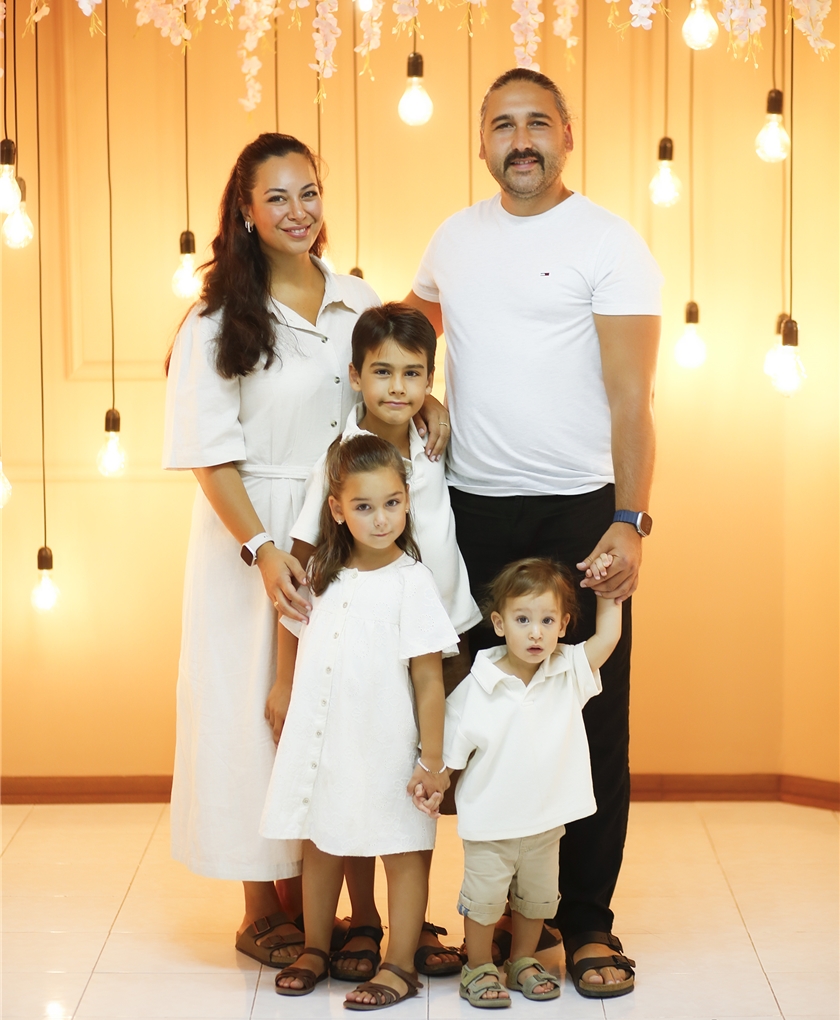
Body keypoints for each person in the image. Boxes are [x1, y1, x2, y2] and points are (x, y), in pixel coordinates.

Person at [162, 133, 450, 970]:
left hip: (348, 528)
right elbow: (207, 454)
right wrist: (260, 547)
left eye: (309, 193)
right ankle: (262, 908)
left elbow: (386, 380)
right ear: (246, 212)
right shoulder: (216, 319)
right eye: (278, 198)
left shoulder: (355, 297)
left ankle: (356, 913)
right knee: (251, 713)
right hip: (251, 532)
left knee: (352, 709)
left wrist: (427, 405)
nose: (298, 212)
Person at [405, 67, 662, 996]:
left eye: (538, 123)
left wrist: (630, 520)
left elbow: (632, 399)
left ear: (566, 135)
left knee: (586, 716)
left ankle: (585, 924)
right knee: (474, 714)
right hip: (472, 511)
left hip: (580, 509)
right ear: (482, 141)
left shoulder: (610, 241)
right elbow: (405, 341)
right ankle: (505, 920)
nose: (522, 140)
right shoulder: (452, 240)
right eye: (504, 125)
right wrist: (425, 395)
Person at [266, 302, 480, 982]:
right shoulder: (341, 460)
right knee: (352, 779)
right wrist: (284, 678)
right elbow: (301, 573)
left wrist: (430, 404)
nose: (397, 387)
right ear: (355, 376)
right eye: (381, 373)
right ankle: (363, 923)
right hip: (365, 645)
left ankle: (412, 933)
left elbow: (417, 394)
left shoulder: (434, 438)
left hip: (442, 636)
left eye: (412, 375)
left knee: (415, 788)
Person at [260, 433, 458, 1009]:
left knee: (401, 846)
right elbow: (297, 637)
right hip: (329, 741)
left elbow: (428, 680)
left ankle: (399, 963)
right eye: (364, 506)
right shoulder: (320, 572)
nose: (381, 519)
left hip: (388, 744)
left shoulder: (411, 581)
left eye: (392, 503)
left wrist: (432, 760)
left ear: (407, 501)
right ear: (337, 509)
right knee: (322, 841)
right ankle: (316, 947)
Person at [442, 558, 622, 1008]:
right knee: (484, 902)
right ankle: (478, 966)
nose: (536, 633)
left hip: (545, 823)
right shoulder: (477, 686)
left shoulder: (567, 671)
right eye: (523, 620)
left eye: (547, 621)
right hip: (490, 826)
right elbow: (449, 750)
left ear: (563, 624)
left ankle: (521, 961)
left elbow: (608, 637)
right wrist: (433, 782)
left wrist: (608, 590)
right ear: (499, 624)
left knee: (536, 901)